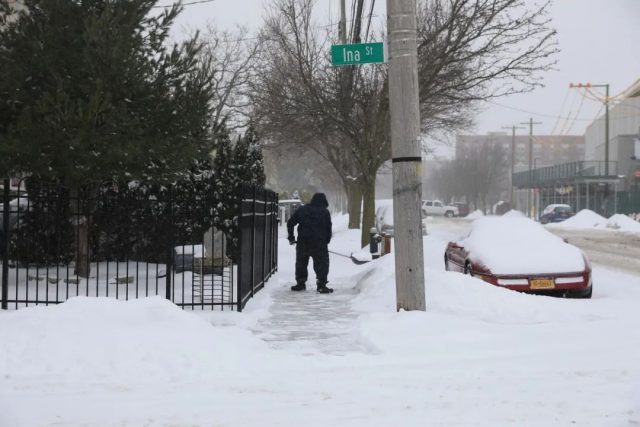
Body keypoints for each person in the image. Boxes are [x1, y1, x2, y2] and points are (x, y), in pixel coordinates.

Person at [287, 192, 333, 293]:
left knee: (301, 263)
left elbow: (290, 223)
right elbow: (328, 228)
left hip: (303, 242)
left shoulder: (302, 210)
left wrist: (291, 237)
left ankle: (300, 283)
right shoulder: (325, 212)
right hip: (319, 244)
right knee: (322, 263)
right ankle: (321, 284)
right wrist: (326, 240)